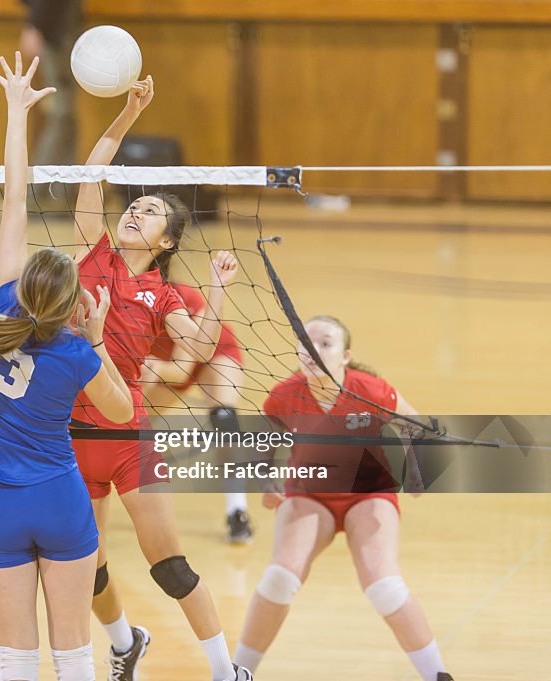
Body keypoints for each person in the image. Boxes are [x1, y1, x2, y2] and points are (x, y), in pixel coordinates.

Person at [0, 52, 133, 681]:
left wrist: (17, 110)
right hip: (60, 499)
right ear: (73, 307)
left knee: (15, 659)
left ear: (23, 291)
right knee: (73, 652)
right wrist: (98, 342)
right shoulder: (76, 352)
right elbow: (123, 412)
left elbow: (14, 196)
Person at [68, 78, 251, 681]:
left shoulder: (164, 291)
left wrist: (218, 291)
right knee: (85, 568)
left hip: (126, 436)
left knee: (168, 566)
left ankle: (227, 671)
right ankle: (125, 642)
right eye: (135, 204)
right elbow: (92, 175)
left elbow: (198, 345)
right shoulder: (92, 255)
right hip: (71, 434)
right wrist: (127, 113)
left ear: (166, 240)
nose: (134, 210)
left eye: (150, 211)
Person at [233, 315, 454, 681]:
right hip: (309, 495)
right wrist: (265, 479)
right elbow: (264, 446)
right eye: (307, 343)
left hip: (368, 494)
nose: (314, 350)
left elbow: (417, 426)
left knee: (384, 586)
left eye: (326, 343)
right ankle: (237, 674)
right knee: (278, 579)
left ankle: (437, 675)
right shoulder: (284, 395)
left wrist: (418, 470)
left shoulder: (371, 390)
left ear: (346, 355)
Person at [142, 282, 254, 543]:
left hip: (211, 354)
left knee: (225, 420)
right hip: (163, 363)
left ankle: (237, 510)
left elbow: (181, 369)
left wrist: (150, 368)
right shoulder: (119, 299)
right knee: (127, 424)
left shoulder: (183, 295)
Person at [19, 0, 82, 166]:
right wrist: (34, 25)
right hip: (58, 34)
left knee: (63, 114)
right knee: (62, 114)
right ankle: (42, 184)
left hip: (59, 34)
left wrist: (34, 24)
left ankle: (50, 184)